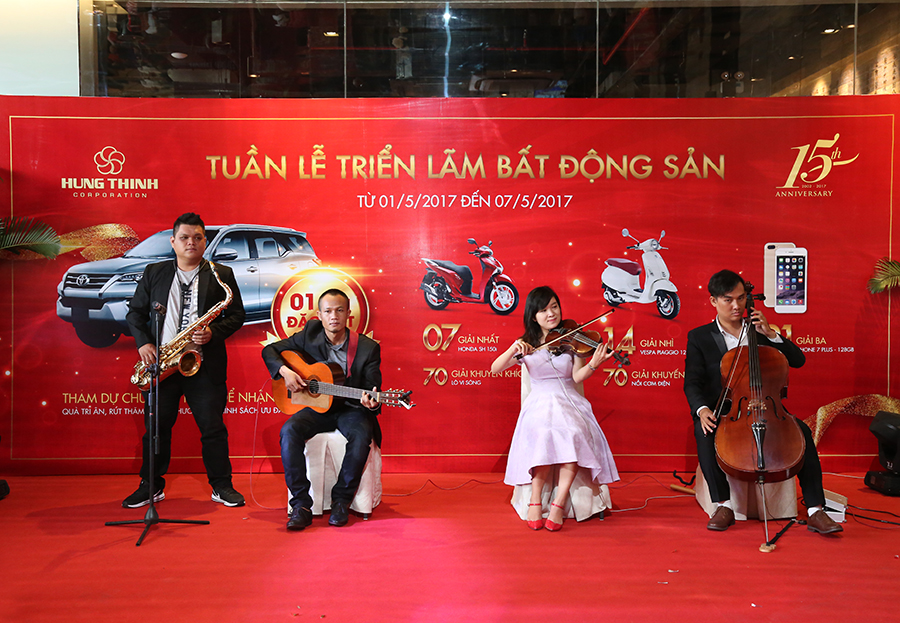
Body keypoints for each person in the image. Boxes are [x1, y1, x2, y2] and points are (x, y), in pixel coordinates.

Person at [683, 269, 842, 534]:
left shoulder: (759, 331)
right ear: (714, 301)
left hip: (766, 406)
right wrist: (702, 410)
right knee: (704, 432)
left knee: (802, 432)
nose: (737, 306)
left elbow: (798, 360)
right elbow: (692, 382)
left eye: (741, 298)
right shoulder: (699, 337)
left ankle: (816, 509)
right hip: (725, 409)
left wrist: (770, 333)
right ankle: (723, 505)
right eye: (728, 300)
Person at [123, 212, 246, 508]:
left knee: (213, 429)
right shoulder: (154, 272)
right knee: (156, 430)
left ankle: (222, 486)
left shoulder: (221, 274)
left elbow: (237, 315)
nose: (191, 242)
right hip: (163, 364)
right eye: (184, 237)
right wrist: (144, 343)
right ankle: (151, 486)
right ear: (173, 242)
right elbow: (135, 313)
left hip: (203, 364)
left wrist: (213, 333)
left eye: (197, 237)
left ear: (205, 242)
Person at [491, 286, 620, 531]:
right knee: (543, 433)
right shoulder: (526, 345)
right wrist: (514, 348)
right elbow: (495, 368)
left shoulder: (572, 337)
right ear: (533, 316)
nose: (551, 314)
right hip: (539, 401)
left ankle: (558, 505)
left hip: (569, 400)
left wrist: (593, 363)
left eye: (554, 307)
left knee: (573, 433)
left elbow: (577, 376)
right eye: (543, 310)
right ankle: (535, 501)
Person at [262, 289, 382, 531]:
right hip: (317, 407)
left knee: (361, 436)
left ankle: (341, 501)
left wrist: (373, 402)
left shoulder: (367, 347)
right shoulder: (310, 334)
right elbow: (269, 350)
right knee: (289, 431)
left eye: (339, 310)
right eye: (328, 311)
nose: (333, 316)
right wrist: (285, 372)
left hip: (351, 408)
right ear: (319, 315)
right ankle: (301, 505)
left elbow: (372, 388)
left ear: (348, 314)